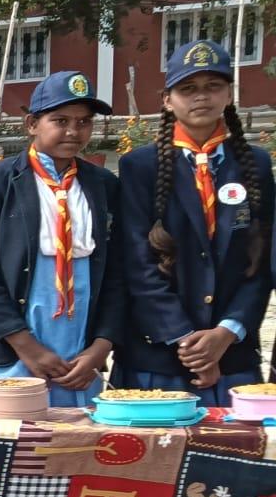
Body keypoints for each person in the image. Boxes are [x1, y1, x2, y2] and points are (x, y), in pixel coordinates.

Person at [113, 39, 273, 403]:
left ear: (229, 94)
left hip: (233, 356)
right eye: (187, 88)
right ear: (167, 100)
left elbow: (261, 262)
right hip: (158, 356)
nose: (201, 96)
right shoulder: (139, 167)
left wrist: (227, 332)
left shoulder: (256, 165)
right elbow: (137, 264)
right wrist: (186, 340)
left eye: (213, 86)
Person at [0, 71, 126, 407]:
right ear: (32, 124)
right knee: (10, 432)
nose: (73, 131)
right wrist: (27, 347)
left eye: (84, 122)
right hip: (13, 346)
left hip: (79, 356)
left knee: (75, 437)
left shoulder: (103, 185)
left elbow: (117, 273)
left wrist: (101, 346)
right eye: (60, 121)